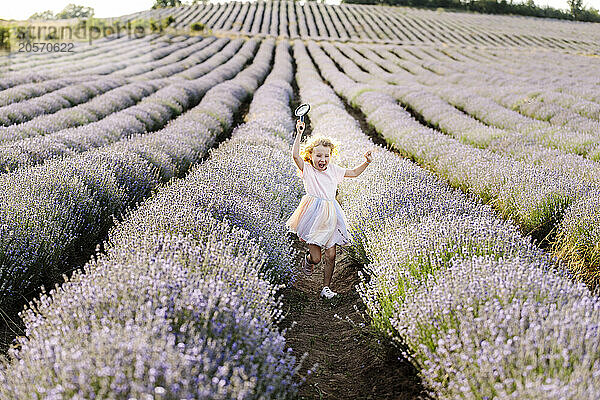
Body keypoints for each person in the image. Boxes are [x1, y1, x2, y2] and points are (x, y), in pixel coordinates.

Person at [286, 118, 373, 299]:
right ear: (311, 156)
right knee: (317, 258)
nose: (322, 159)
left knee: (331, 255)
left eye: (326, 156)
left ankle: (326, 288)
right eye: (318, 156)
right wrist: (299, 133)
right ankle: (309, 260)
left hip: (331, 213)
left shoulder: (333, 170)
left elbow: (354, 173)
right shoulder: (307, 169)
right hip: (312, 214)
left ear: (330, 156)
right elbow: (295, 156)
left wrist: (366, 162)